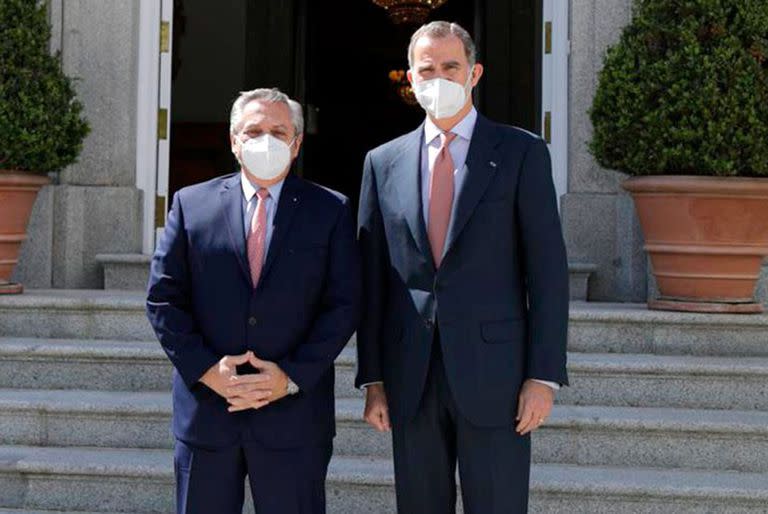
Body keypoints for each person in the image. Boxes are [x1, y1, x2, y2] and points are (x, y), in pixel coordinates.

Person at [356, 21, 569, 513]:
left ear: (474, 73)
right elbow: (373, 280)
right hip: (411, 376)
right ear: (410, 78)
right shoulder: (382, 162)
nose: (438, 78)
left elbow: (548, 272)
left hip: (497, 375)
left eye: (450, 67)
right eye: (426, 69)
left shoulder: (521, 153)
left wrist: (543, 375)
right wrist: (373, 378)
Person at [146, 88, 361, 514]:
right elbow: (163, 298)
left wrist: (289, 376)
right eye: (254, 130)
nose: (266, 140)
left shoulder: (330, 209)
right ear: (233, 141)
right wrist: (207, 369)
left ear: (296, 144)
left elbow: (344, 304)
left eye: (279, 132)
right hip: (208, 414)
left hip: (294, 419)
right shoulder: (192, 205)